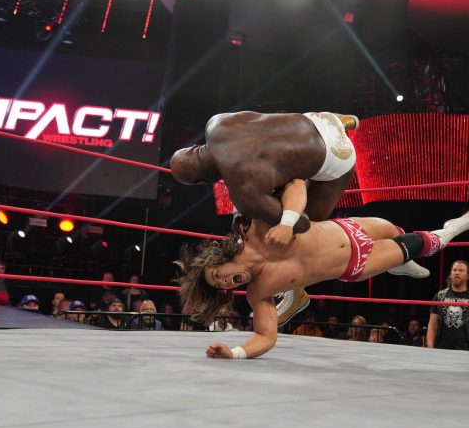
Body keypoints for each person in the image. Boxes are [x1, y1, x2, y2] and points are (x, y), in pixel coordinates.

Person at [169, 111, 430, 325]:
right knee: (278, 179)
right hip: (319, 121)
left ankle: (295, 293)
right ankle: (342, 122)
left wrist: (257, 213)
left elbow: (301, 224)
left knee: (299, 226)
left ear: (202, 181)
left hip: (339, 157)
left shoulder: (244, 192)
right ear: (194, 149)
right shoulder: (217, 122)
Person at [176, 208, 469, 359]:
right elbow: (265, 336)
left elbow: (268, 191)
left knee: (395, 230)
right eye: (222, 286)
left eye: (219, 274)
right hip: (357, 263)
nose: (227, 282)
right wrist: (235, 353)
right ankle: (451, 228)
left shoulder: (254, 230)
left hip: (347, 227)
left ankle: (399, 265)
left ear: (219, 256)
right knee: (425, 243)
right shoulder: (259, 291)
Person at [425, 260, 469, 353]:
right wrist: (430, 347)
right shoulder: (440, 296)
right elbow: (433, 324)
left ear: (468, 276)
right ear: (450, 274)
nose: (457, 272)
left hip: (467, 350)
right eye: (454, 270)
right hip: (441, 349)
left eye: (461, 270)